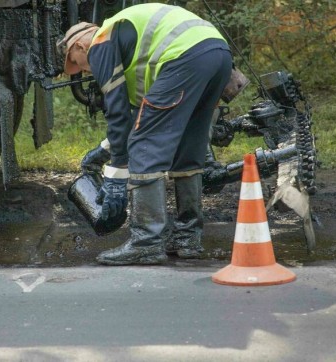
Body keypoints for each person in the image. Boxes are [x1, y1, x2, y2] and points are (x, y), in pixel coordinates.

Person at [58, 3, 232, 265]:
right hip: (217, 53)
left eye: (77, 64)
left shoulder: (101, 43)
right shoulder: (131, 45)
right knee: (187, 147)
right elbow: (138, 118)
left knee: (145, 147)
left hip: (184, 57)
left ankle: (146, 242)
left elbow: (118, 113)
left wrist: (116, 175)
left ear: (80, 47)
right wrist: (105, 150)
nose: (85, 70)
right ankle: (187, 238)